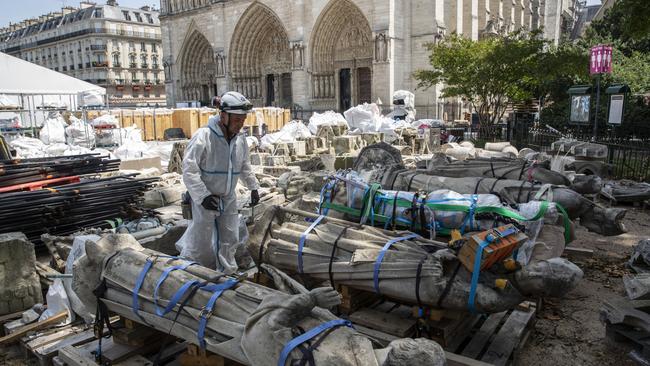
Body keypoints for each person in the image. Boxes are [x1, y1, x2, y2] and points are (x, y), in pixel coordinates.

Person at [176, 91, 260, 274]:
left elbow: (244, 164)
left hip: (228, 196)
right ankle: (196, 272)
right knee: (201, 240)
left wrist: (253, 187)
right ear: (223, 116)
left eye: (243, 120)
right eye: (237, 120)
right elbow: (189, 169)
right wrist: (202, 196)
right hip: (205, 198)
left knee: (230, 237)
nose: (240, 124)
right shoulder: (204, 136)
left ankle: (227, 273)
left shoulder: (240, 139)